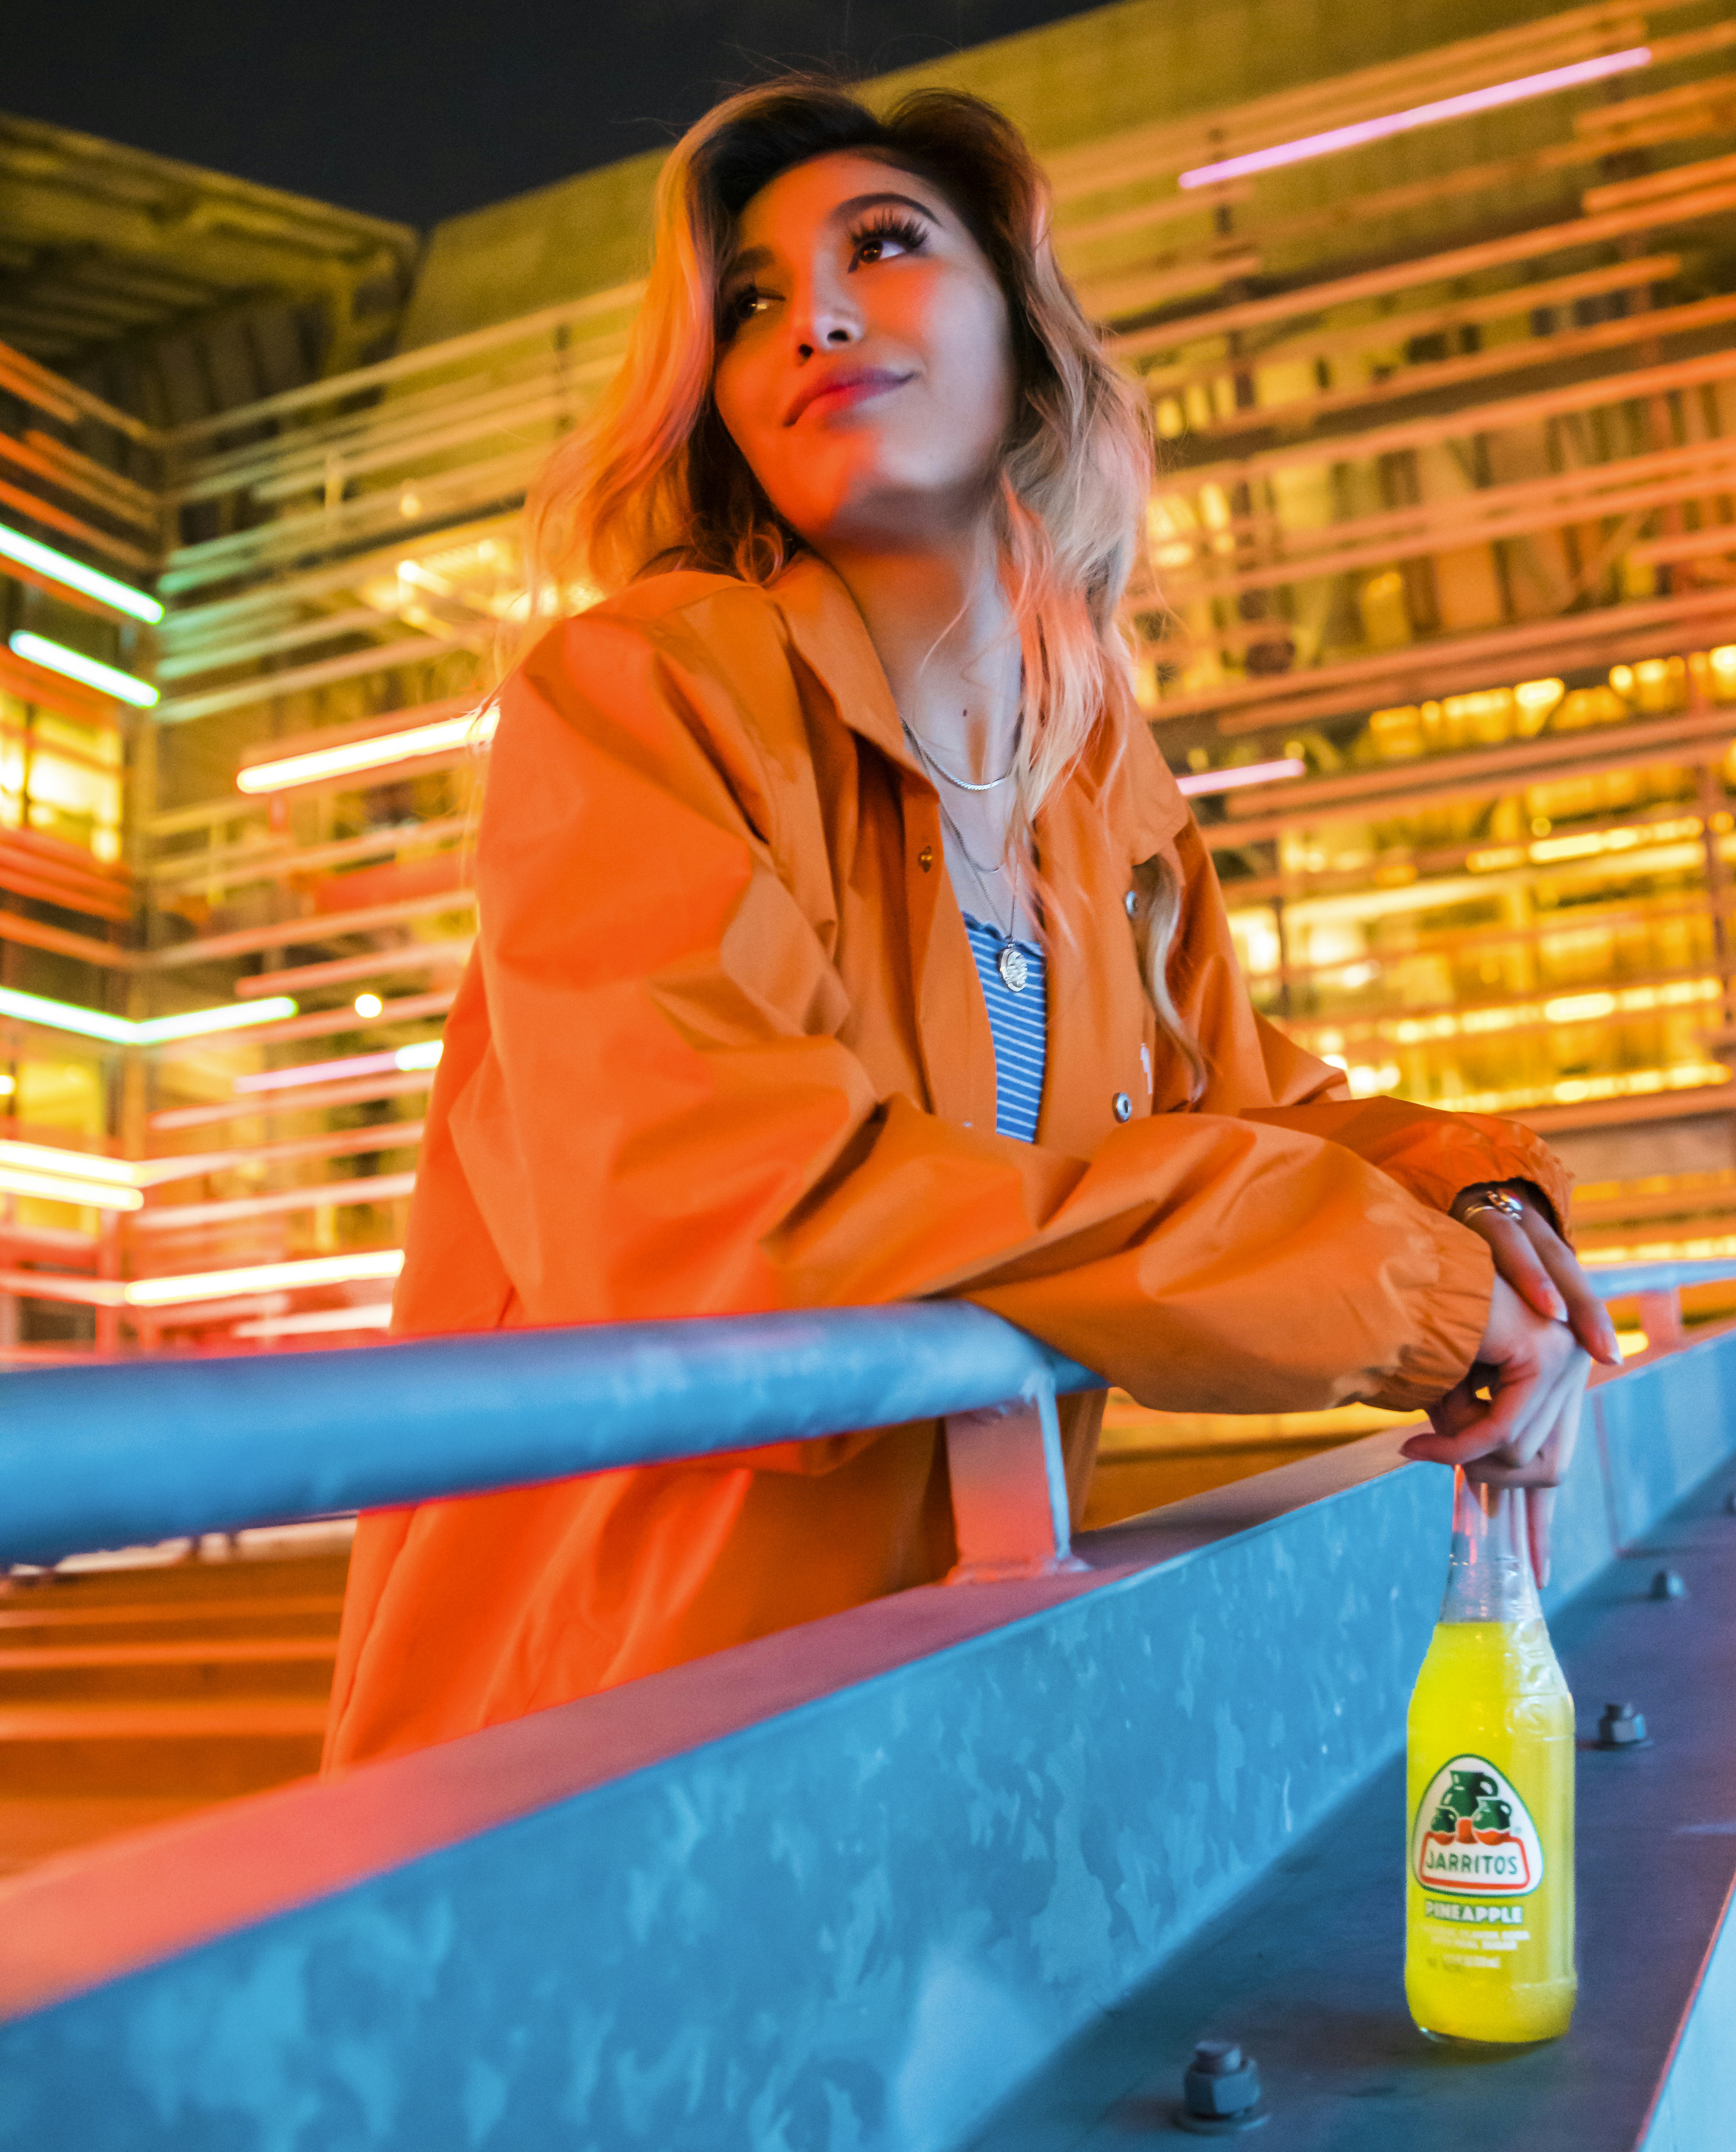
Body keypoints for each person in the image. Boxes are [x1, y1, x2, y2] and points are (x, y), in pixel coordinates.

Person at [324, 79, 1618, 1769]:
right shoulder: (641, 695)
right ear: (718, 401)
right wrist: (1416, 1298)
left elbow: (1243, 1112)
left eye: (883, 245)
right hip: (602, 1730)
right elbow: (740, 1218)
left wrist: (1485, 1208)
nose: (818, 318)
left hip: (933, 1705)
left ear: (1022, 326)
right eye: (752, 303)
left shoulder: (1102, 796)